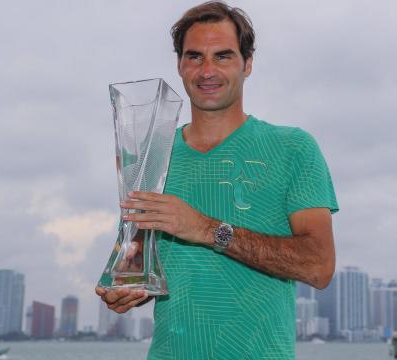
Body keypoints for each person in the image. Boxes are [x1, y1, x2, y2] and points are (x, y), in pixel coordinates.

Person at [96, 1, 338, 358]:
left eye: (223, 56)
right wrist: (128, 290)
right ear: (180, 65)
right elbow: (139, 260)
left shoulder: (293, 148)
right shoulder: (151, 157)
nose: (207, 70)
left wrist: (207, 229)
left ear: (248, 64)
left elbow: (319, 267)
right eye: (194, 57)